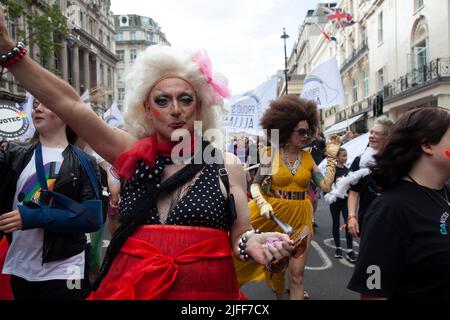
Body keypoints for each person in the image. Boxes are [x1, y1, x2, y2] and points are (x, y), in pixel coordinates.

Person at [0, 10, 294, 299]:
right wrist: (10, 51)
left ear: (200, 107)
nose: (175, 109)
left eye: (186, 99)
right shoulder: (129, 153)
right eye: (162, 100)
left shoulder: (226, 165)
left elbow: (241, 235)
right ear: (147, 111)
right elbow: (71, 105)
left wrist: (254, 242)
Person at [234, 95, 341, 300]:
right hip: (274, 216)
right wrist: (263, 203)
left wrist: (332, 158)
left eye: (308, 131)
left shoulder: (308, 158)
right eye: (301, 131)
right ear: (286, 131)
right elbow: (255, 185)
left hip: (302, 216)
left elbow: (326, 186)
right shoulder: (269, 154)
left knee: (297, 274)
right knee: (276, 269)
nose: (306, 135)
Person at [0, 100, 102, 300]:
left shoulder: (84, 161)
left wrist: (34, 217)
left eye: (47, 104)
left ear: (65, 113)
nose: (37, 108)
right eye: (36, 104)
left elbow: (91, 218)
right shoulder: (13, 154)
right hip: (21, 265)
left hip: (65, 268)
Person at [348, 108, 450, 299]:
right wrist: (352, 216)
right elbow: (372, 291)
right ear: (427, 145)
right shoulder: (389, 211)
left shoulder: (445, 192)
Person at [346, 116, 394, 238]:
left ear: (388, 138)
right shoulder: (360, 160)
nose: (371, 136)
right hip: (368, 219)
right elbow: (353, 191)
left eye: (377, 133)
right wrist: (351, 217)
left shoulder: (398, 161)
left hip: (393, 221)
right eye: (371, 132)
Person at [327, 148, 356, 262]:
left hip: (345, 200)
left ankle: (349, 250)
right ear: (337, 157)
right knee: (335, 223)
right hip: (335, 201)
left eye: (346, 155)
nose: (346, 157)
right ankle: (338, 248)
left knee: (348, 223)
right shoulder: (332, 170)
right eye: (343, 156)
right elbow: (327, 185)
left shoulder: (347, 170)